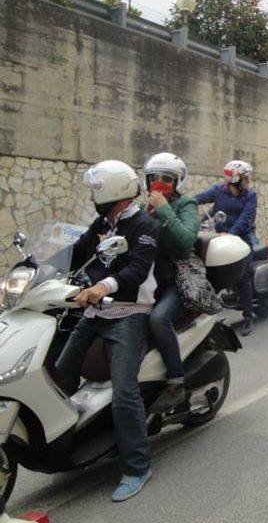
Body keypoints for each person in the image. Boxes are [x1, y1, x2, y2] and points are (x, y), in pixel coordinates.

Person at [55, 160, 161, 502]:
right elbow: (77, 253)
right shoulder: (103, 224)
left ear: (111, 192)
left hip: (129, 313)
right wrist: (38, 269)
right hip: (95, 310)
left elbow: (137, 269)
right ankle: (66, 441)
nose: (91, 196)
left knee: (124, 391)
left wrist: (103, 286)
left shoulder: (144, 226)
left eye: (95, 191)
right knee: (61, 372)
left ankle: (137, 467)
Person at [143, 152, 201, 413]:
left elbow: (186, 240)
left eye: (166, 179)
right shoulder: (145, 207)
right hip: (148, 279)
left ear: (178, 182)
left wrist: (164, 209)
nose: (159, 183)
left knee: (158, 319)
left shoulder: (185, 205)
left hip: (177, 278)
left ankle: (176, 383)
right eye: (154, 178)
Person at [195, 160, 258, 335]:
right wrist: (184, 210)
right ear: (235, 178)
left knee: (243, 277)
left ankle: (247, 317)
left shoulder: (250, 196)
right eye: (245, 178)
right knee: (209, 274)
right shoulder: (218, 191)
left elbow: (245, 219)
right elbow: (197, 199)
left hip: (242, 240)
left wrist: (231, 234)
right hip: (220, 240)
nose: (248, 181)